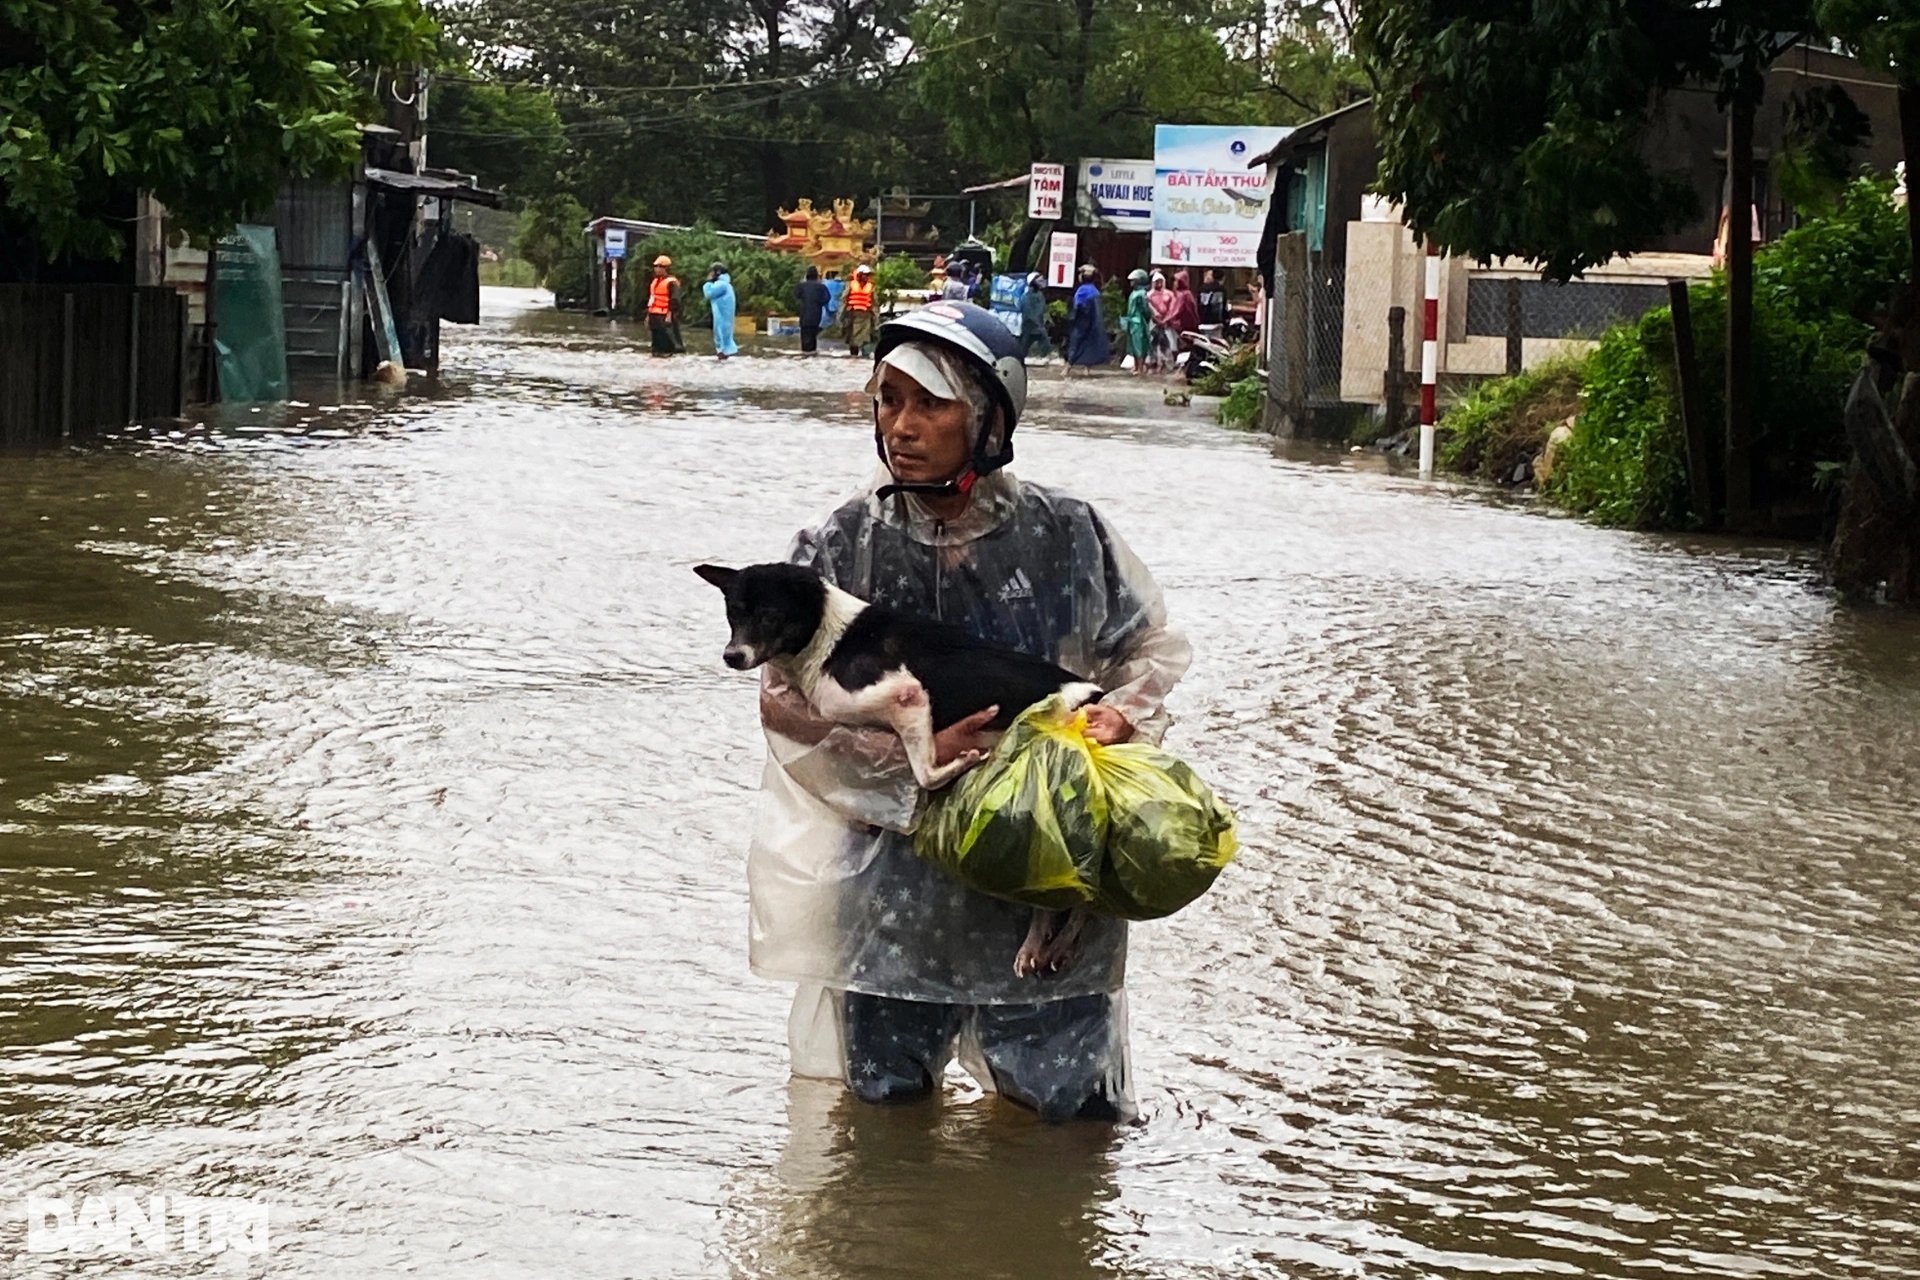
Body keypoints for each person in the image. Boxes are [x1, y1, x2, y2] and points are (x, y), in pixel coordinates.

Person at [749, 302, 1191, 1122]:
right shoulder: (843, 544)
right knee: (882, 1131)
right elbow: (782, 705)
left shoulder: (1066, 534)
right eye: (887, 401)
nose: (901, 427)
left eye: (929, 404)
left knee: (1064, 1129)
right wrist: (899, 751)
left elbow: (1150, 651)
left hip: (1044, 872)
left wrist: (1119, 719)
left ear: (987, 419)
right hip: (893, 888)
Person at [1064, 265, 1110, 374]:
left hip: (1082, 322)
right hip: (1094, 323)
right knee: (1090, 344)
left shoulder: (1081, 291)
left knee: (1075, 343)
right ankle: (1087, 369)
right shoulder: (1095, 291)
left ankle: (1067, 368)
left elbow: (1077, 307)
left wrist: (1071, 320)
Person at [646, 255, 683, 356]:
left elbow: (675, 300)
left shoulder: (672, 283)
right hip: (654, 315)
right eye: (656, 266)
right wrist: (648, 315)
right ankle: (656, 354)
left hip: (665, 316)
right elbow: (652, 299)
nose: (656, 269)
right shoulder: (655, 282)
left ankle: (670, 354)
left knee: (668, 340)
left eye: (659, 266)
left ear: (666, 268)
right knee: (656, 342)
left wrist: (669, 315)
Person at [704, 262, 739, 360]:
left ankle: (723, 353)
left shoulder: (721, 284)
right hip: (722, 314)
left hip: (722, 315)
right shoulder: (725, 284)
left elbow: (709, 293)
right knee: (723, 334)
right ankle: (723, 353)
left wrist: (708, 282)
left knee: (721, 334)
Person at [841, 263, 877, 358]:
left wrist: (876, 315)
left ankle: (865, 354)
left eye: (868, 275)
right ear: (860, 275)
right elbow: (844, 298)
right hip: (853, 314)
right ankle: (854, 354)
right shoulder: (851, 285)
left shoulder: (870, 286)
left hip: (866, 314)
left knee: (866, 336)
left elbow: (874, 302)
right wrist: (844, 312)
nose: (866, 277)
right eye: (865, 274)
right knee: (853, 335)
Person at [1121, 269, 1151, 375]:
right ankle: (1136, 365)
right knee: (1132, 345)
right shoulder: (1133, 293)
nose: (1131, 282)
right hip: (1132, 321)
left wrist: (1146, 318)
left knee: (1139, 345)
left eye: (1133, 280)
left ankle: (1140, 367)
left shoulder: (1142, 294)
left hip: (1138, 322)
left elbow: (1145, 309)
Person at [1167, 270, 1200, 365]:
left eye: (1177, 281)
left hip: (1183, 326)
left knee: (1179, 347)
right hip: (1185, 325)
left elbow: (1176, 311)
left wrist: (1165, 320)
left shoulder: (1183, 295)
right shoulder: (1184, 294)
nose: (1175, 283)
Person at [1145, 270, 1175, 371]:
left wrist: (1166, 319)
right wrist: (1155, 317)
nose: (1159, 284)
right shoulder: (1149, 295)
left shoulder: (1169, 294)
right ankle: (1152, 363)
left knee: (1166, 343)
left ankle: (1166, 364)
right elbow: (1148, 307)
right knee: (1152, 342)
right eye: (1156, 282)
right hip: (1154, 322)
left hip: (1166, 323)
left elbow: (1172, 308)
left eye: (1160, 281)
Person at [796, 265, 830, 355]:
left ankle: (805, 352)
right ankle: (812, 352)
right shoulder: (821, 287)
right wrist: (819, 303)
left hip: (804, 313)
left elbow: (796, 294)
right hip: (816, 314)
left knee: (804, 334)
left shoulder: (802, 286)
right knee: (813, 335)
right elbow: (827, 298)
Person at [1018, 272, 1051, 363]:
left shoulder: (1039, 294)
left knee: (1042, 339)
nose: (1042, 282)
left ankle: (1043, 355)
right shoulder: (1027, 295)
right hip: (1030, 323)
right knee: (1025, 342)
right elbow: (1027, 310)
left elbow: (1043, 308)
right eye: (1039, 280)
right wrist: (1036, 320)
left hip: (1037, 323)